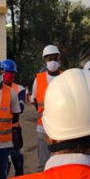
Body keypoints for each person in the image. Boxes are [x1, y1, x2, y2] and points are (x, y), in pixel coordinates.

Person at [31, 44, 62, 172]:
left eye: (55, 58)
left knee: (60, 162)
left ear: (59, 59)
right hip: (43, 127)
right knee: (43, 163)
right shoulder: (38, 79)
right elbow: (35, 101)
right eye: (49, 59)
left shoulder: (65, 77)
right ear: (44, 61)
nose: (53, 62)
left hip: (61, 128)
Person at [3, 59, 26, 176]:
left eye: (12, 73)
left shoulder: (19, 89)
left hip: (14, 130)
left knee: (17, 160)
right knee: (2, 165)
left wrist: (3, 107)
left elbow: (20, 108)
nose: (9, 75)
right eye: (7, 72)